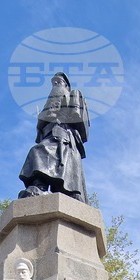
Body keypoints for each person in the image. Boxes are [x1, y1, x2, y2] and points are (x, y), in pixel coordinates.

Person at [18, 71, 90, 204]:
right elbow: (46, 117)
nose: (56, 84)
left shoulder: (70, 95)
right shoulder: (55, 96)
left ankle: (40, 185)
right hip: (51, 133)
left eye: (59, 82)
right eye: (54, 82)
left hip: (63, 134)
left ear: (66, 86)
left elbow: (69, 115)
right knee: (39, 152)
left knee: (39, 151)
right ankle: (39, 185)